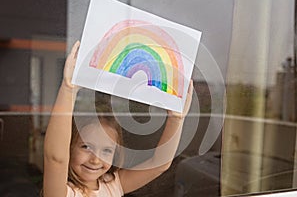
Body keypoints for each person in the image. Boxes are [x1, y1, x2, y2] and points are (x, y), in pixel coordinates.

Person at [43, 41, 193, 197]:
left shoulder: (112, 185)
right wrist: (68, 90)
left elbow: (159, 164)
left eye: (107, 150)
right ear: (69, 147)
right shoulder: (62, 193)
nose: (95, 159)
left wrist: (176, 120)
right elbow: (56, 159)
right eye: (86, 147)